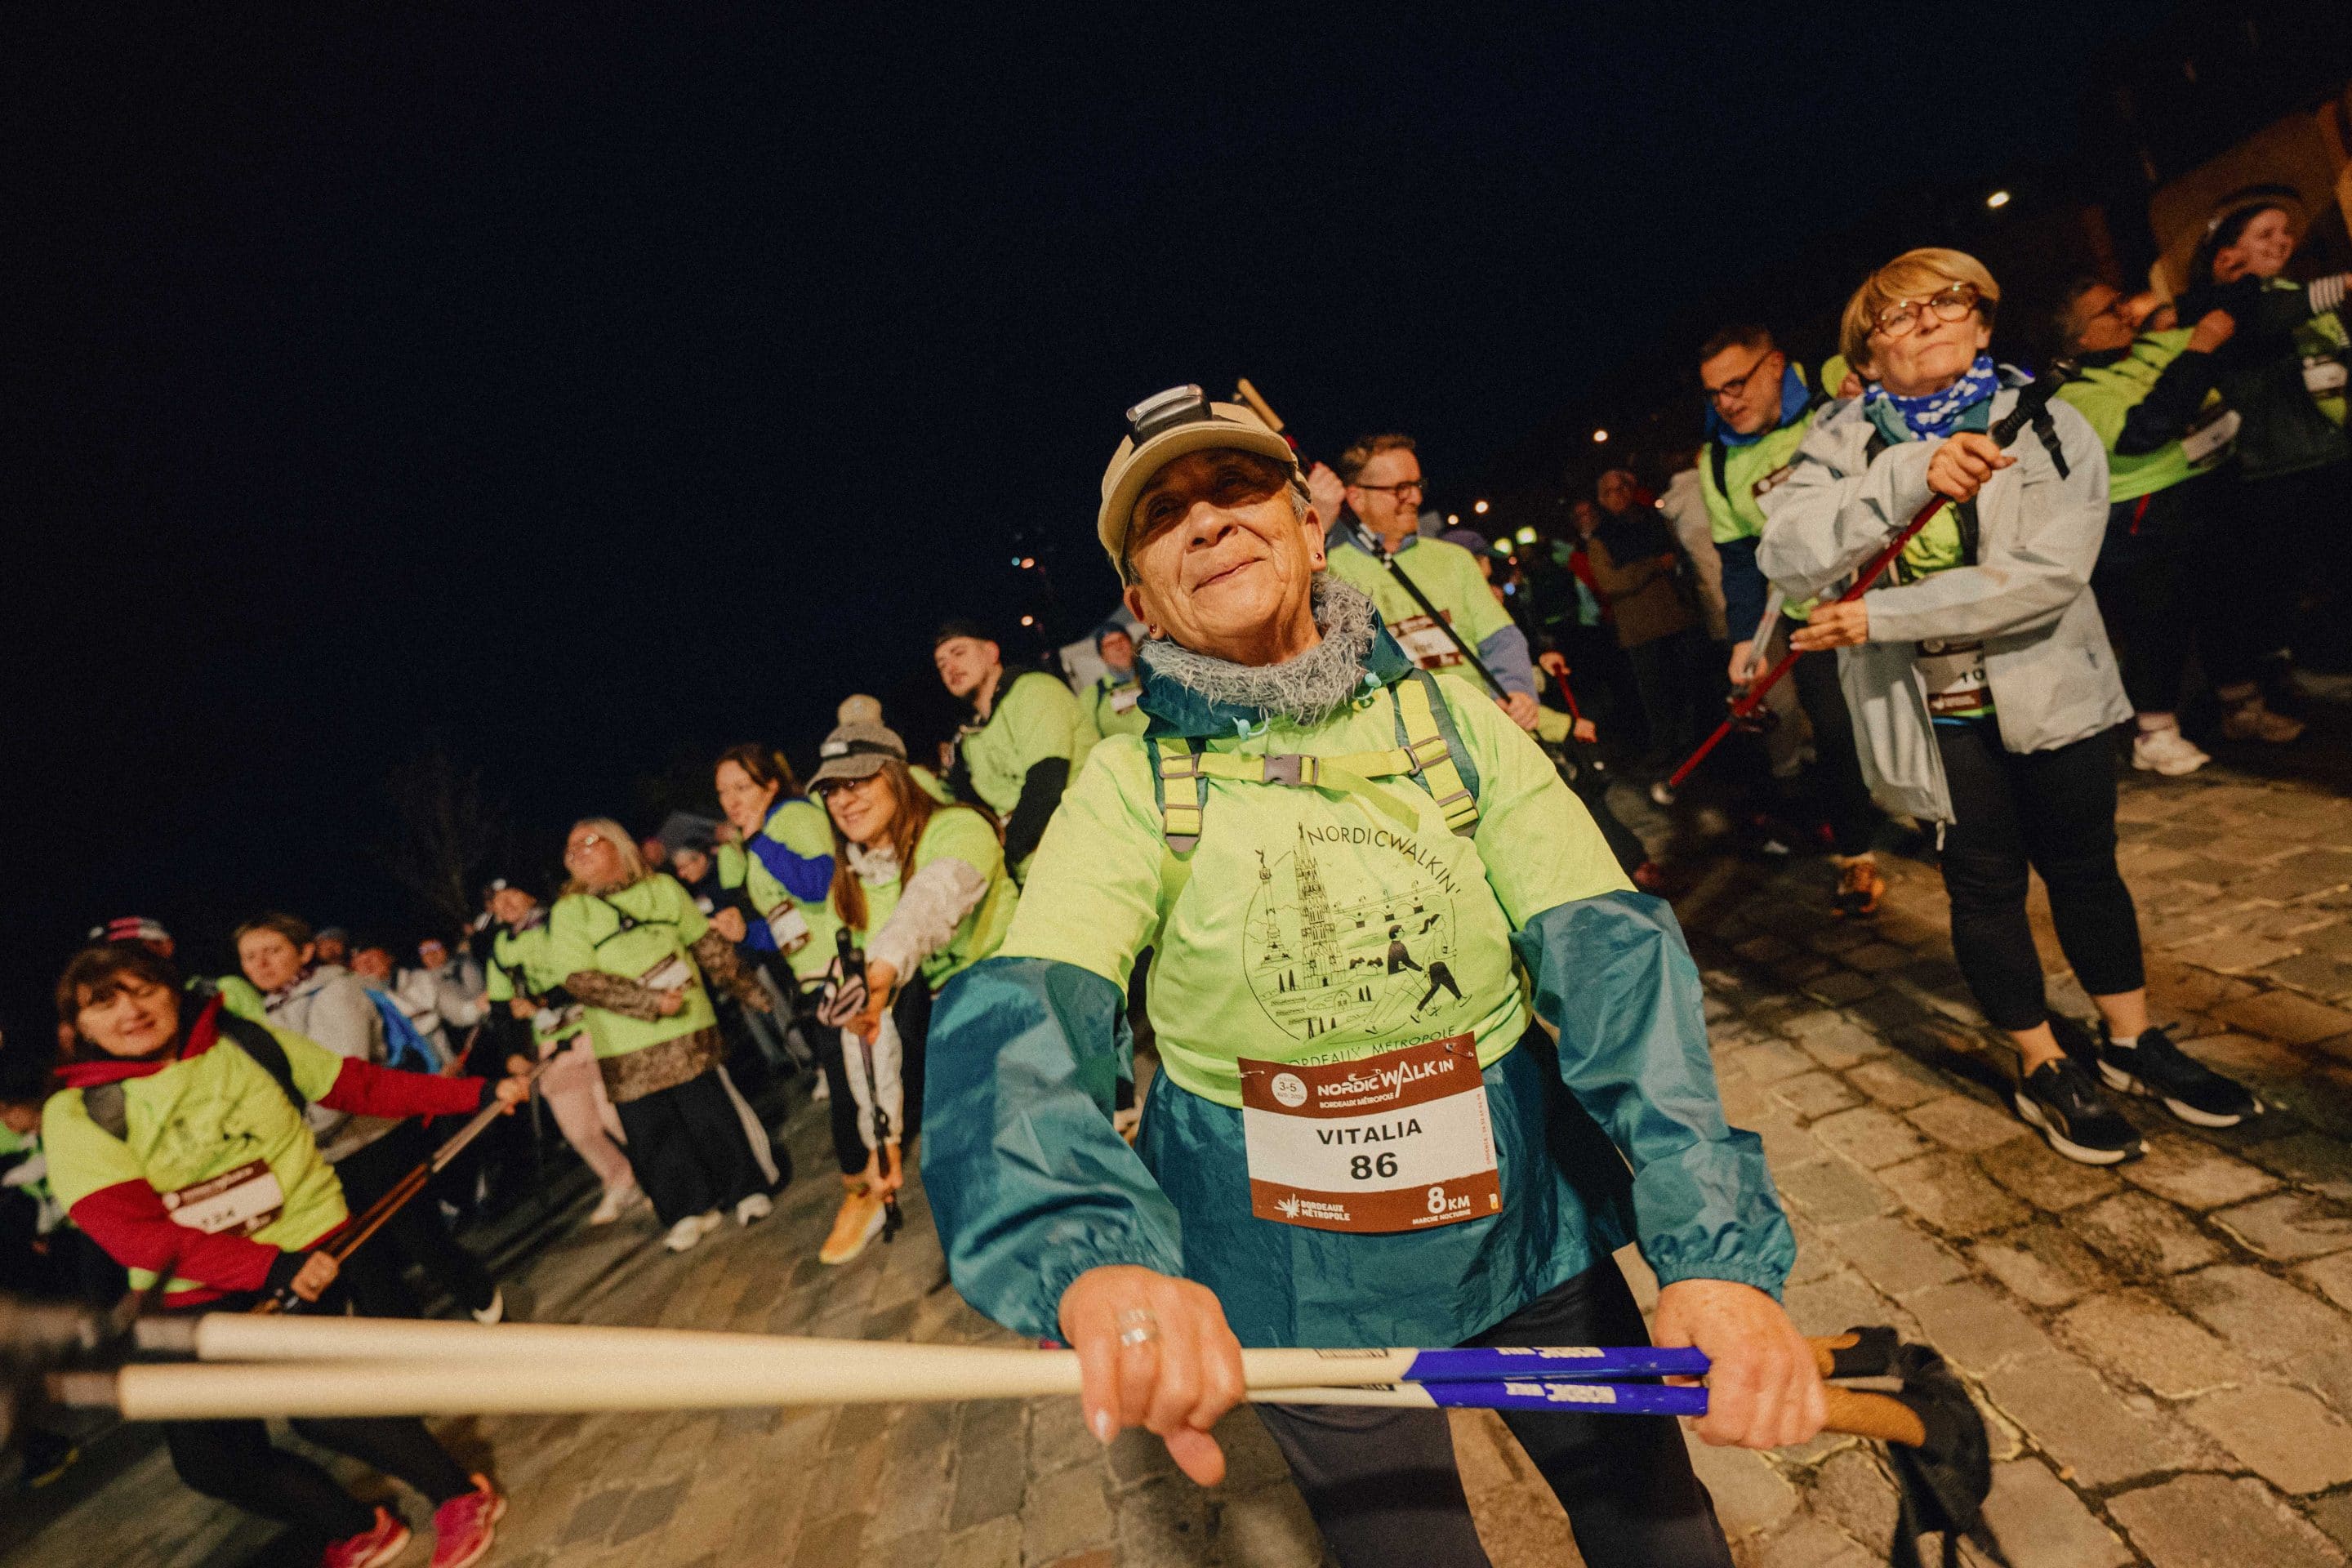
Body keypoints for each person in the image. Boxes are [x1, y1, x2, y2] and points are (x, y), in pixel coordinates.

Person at [926, 385, 1822, 1568]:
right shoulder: (1126, 787)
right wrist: (1095, 1258)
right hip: (1293, 1274)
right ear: (1141, 601)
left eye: (1236, 488)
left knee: (1661, 1537)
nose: (1208, 521)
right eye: (1165, 515)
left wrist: (1712, 1254)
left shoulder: (1454, 724)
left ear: (1310, 530)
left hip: (1523, 1227)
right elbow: (1024, 1022)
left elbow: (1618, 970)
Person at [1760, 247, 2260, 1165]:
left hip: (2048, 685)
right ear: (1866, 355)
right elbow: (1786, 554)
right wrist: (1909, 473)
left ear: (1984, 322)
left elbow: (2051, 574)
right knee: (1984, 883)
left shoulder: (2050, 419)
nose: (1928, 320)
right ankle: (2041, 1062)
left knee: (2086, 867)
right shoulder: (1836, 446)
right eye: (1899, 314)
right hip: (1931, 711)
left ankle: (2130, 1041)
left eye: (1950, 302)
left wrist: (1880, 617)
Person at [42, 942, 522, 1568]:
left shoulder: (244, 1044)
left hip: (306, 1247)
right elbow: (136, 1236)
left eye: (145, 990)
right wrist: (264, 1268)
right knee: (211, 1459)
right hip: (190, 1286)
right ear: (78, 1026)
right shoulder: (77, 1114)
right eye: (104, 1003)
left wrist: (476, 1094)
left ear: (174, 991)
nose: (130, 1012)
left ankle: (458, 1494)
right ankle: (356, 1524)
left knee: (322, 1409)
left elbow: (358, 1084)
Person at [805, 722, 1020, 1262]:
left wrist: (882, 970)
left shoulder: (957, 827)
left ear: (897, 777)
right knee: (965, 1169)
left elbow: (931, 901)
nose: (843, 799)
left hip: (1022, 996)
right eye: (831, 789)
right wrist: (884, 1142)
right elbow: (866, 1031)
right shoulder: (856, 879)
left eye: (858, 780)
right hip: (956, 1014)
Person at [1698, 324, 1889, 915]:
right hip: (1814, 618)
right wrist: (1743, 641)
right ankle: (1856, 854)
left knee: (1910, 716)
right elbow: (1739, 562)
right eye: (1714, 393)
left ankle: (1946, 828)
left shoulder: (1834, 396)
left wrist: (1862, 383)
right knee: (1834, 733)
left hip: (1888, 599)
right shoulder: (1718, 461)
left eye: (1736, 384)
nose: (1726, 402)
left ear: (1775, 364)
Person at [237, 913, 506, 1323]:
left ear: (305, 952)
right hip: (323, 1157)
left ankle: (480, 1295)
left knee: (422, 1241)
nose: (261, 964)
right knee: (363, 1266)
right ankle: (403, 1349)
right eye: (250, 957)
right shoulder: (261, 1016)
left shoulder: (336, 992)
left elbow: (346, 1079)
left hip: (377, 1140)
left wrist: (296, 1134)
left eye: (272, 951)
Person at [549, 817, 783, 1252]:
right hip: (625, 1043)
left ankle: (745, 1189)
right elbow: (580, 979)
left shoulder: (662, 889)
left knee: (710, 1113)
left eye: (588, 842)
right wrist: (650, 1002)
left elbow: (706, 944)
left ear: (618, 845)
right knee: (652, 1131)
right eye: (570, 850)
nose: (577, 853)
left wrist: (749, 990)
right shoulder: (569, 912)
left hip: (688, 1026)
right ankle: (688, 1210)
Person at [2054, 280, 2243, 775]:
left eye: (2121, 303)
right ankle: (2154, 733)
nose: (2126, 314)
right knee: (2158, 620)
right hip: (2143, 515)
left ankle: (2241, 705)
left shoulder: (2142, 351)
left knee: (2223, 600)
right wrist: (2197, 353)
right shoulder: (2074, 394)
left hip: (2200, 490)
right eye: (2109, 311)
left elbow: (2233, 322)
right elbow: (2144, 431)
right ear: (2080, 338)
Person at [2176, 191, 2351, 722]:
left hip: (2328, 453)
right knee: (2269, 589)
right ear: (2227, 253)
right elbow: (2263, 318)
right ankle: (2266, 687)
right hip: (2267, 468)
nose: (2282, 242)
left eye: (2286, 232)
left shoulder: (2296, 294)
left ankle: (2313, 668)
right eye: (2265, 234)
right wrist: (2341, 284)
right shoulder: (2213, 305)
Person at [1320, 430, 1542, 731]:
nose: (1416, 498)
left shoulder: (1454, 559)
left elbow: (1500, 639)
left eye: (1417, 485)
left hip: (1477, 724)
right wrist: (1316, 529)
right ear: (1357, 497)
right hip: (1397, 736)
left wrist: (1517, 690)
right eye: (1401, 488)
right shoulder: (1329, 570)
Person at [484, 880, 642, 1226]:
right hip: (552, 1044)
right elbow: (500, 1007)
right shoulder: (501, 948)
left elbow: (586, 973)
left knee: (615, 1115)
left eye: (512, 893)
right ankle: (621, 1180)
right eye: (496, 901)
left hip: (592, 1026)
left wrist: (542, 1002)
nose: (505, 904)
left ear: (529, 893)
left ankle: (658, 1173)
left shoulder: (559, 920)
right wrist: (512, 1053)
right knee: (578, 1127)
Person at [1585, 468, 1717, 800]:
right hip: (1641, 630)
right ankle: (1667, 750)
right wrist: (1653, 566)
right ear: (1601, 499)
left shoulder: (1655, 521)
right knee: (1656, 696)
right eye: (1610, 491)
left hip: (1678, 619)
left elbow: (1682, 556)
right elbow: (1610, 582)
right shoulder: (1601, 539)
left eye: (1623, 488)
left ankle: (1700, 748)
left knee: (1689, 687)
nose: (1619, 496)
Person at [935, 620, 1086, 879]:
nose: (950, 667)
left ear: (991, 652)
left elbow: (1046, 784)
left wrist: (1003, 856)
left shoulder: (1035, 691)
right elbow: (973, 805)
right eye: (941, 664)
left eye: (959, 653)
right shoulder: (970, 736)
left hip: (1081, 853)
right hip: (1032, 872)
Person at [89, 914, 267, 1022]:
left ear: (166, 946)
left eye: (134, 951)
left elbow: (273, 1046)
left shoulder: (222, 990)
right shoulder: (115, 1016)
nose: (123, 962)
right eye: (109, 957)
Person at [1077, 626, 1151, 749]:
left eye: (1122, 640)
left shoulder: (1152, 679)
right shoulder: (1093, 695)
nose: (1118, 647)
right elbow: (1088, 740)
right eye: (1110, 644)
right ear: (1102, 656)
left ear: (1132, 645)